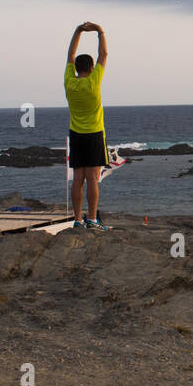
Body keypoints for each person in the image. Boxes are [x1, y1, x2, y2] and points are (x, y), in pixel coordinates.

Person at [64, 21, 110, 230]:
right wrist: (100, 31)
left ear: (76, 69)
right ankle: (92, 219)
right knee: (93, 179)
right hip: (94, 134)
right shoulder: (94, 81)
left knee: (78, 180)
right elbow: (104, 55)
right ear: (91, 69)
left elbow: (70, 56)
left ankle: (77, 220)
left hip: (76, 135)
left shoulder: (69, 83)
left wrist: (78, 31)